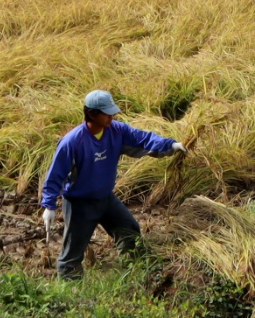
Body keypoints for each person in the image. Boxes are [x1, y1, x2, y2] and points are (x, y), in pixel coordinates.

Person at [40, 89, 186, 279]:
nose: (112, 116)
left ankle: (133, 273)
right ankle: (69, 293)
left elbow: (143, 138)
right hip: (80, 204)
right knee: (72, 254)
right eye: (107, 113)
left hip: (106, 199)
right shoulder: (73, 142)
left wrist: (170, 145)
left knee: (129, 229)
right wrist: (49, 206)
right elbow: (55, 175)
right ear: (92, 113)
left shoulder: (116, 130)